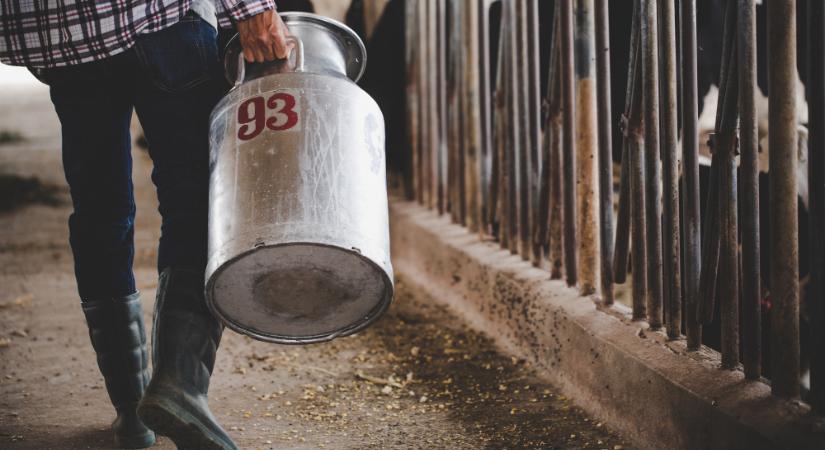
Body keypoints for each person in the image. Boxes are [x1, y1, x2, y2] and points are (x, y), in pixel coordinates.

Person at [0, 1, 291, 448]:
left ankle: (132, 410)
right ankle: (181, 385)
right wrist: (249, 7)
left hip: (65, 38)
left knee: (99, 210)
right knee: (198, 198)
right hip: (160, 19)